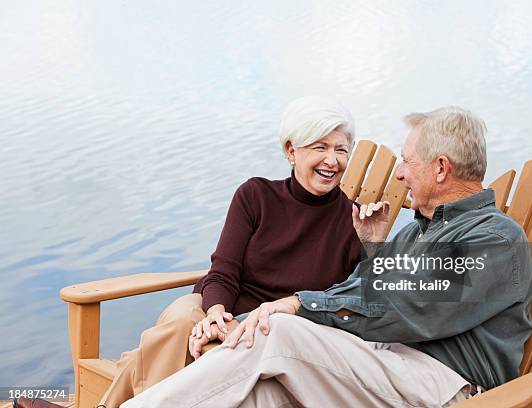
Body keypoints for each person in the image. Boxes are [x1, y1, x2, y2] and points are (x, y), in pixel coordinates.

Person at [121, 106, 532, 408]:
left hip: (448, 386)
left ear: (441, 168)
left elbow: (411, 308)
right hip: (387, 363)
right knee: (263, 393)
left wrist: (297, 304)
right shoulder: (417, 231)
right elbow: (369, 292)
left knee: (280, 332)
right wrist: (234, 324)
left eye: (407, 162)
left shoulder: (495, 240)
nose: (400, 173)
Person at [97, 96, 365, 408]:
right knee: (184, 320)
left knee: (167, 340)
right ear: (292, 151)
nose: (331, 160)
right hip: (217, 306)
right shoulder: (256, 195)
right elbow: (223, 270)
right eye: (320, 147)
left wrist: (372, 244)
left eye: (341, 149)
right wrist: (216, 315)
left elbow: (359, 297)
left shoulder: (355, 222)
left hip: (272, 329)